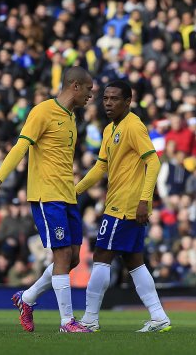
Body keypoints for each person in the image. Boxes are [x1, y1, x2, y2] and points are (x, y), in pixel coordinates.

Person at [0, 66, 94, 333]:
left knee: (72, 260)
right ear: (75, 87)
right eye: (89, 90)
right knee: (61, 254)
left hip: (67, 195)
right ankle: (67, 322)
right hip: (47, 195)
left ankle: (27, 298)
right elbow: (21, 146)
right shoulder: (42, 111)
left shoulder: (70, 117)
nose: (91, 96)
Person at [75, 81, 171, 333]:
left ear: (128, 101)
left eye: (114, 99)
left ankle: (89, 320)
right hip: (118, 203)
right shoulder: (109, 129)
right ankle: (159, 317)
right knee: (134, 261)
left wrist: (143, 201)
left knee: (101, 257)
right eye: (105, 98)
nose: (108, 103)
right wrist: (75, 191)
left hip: (125, 205)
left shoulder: (133, 126)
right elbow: (100, 167)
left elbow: (154, 163)